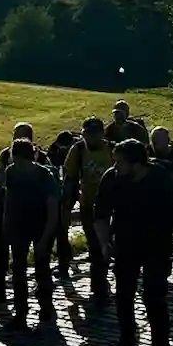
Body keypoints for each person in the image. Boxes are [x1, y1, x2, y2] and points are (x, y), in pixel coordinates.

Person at [94, 138, 173, 346]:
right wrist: (104, 244)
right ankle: (127, 335)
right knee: (123, 295)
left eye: (120, 162)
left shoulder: (159, 179)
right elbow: (100, 214)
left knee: (155, 299)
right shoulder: (112, 179)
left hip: (157, 245)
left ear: (137, 163)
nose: (115, 166)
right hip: (125, 245)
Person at [0, 136, 60, 328]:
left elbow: (52, 209)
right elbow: (9, 202)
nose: (19, 164)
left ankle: (45, 306)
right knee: (18, 270)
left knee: (42, 268)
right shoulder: (11, 172)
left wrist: (46, 237)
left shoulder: (44, 176)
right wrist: (6, 226)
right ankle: (20, 311)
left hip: (40, 226)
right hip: (19, 227)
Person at [61, 115, 118, 303]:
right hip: (89, 206)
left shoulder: (112, 149)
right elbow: (70, 179)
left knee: (113, 244)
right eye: (87, 134)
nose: (90, 138)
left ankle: (112, 280)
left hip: (112, 206)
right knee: (95, 245)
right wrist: (66, 209)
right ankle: (99, 285)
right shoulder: (77, 150)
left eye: (94, 134)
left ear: (101, 134)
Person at [0, 123, 45, 301]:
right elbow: (0, 180)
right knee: (3, 251)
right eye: (15, 135)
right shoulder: (6, 155)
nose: (16, 138)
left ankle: (41, 291)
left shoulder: (41, 158)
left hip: (34, 214)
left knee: (36, 256)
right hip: (10, 209)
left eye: (20, 135)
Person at [47, 131, 77, 277]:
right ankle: (64, 262)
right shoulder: (56, 148)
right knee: (61, 229)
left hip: (73, 190)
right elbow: (52, 166)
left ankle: (64, 262)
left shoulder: (78, 148)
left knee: (62, 228)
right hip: (63, 191)